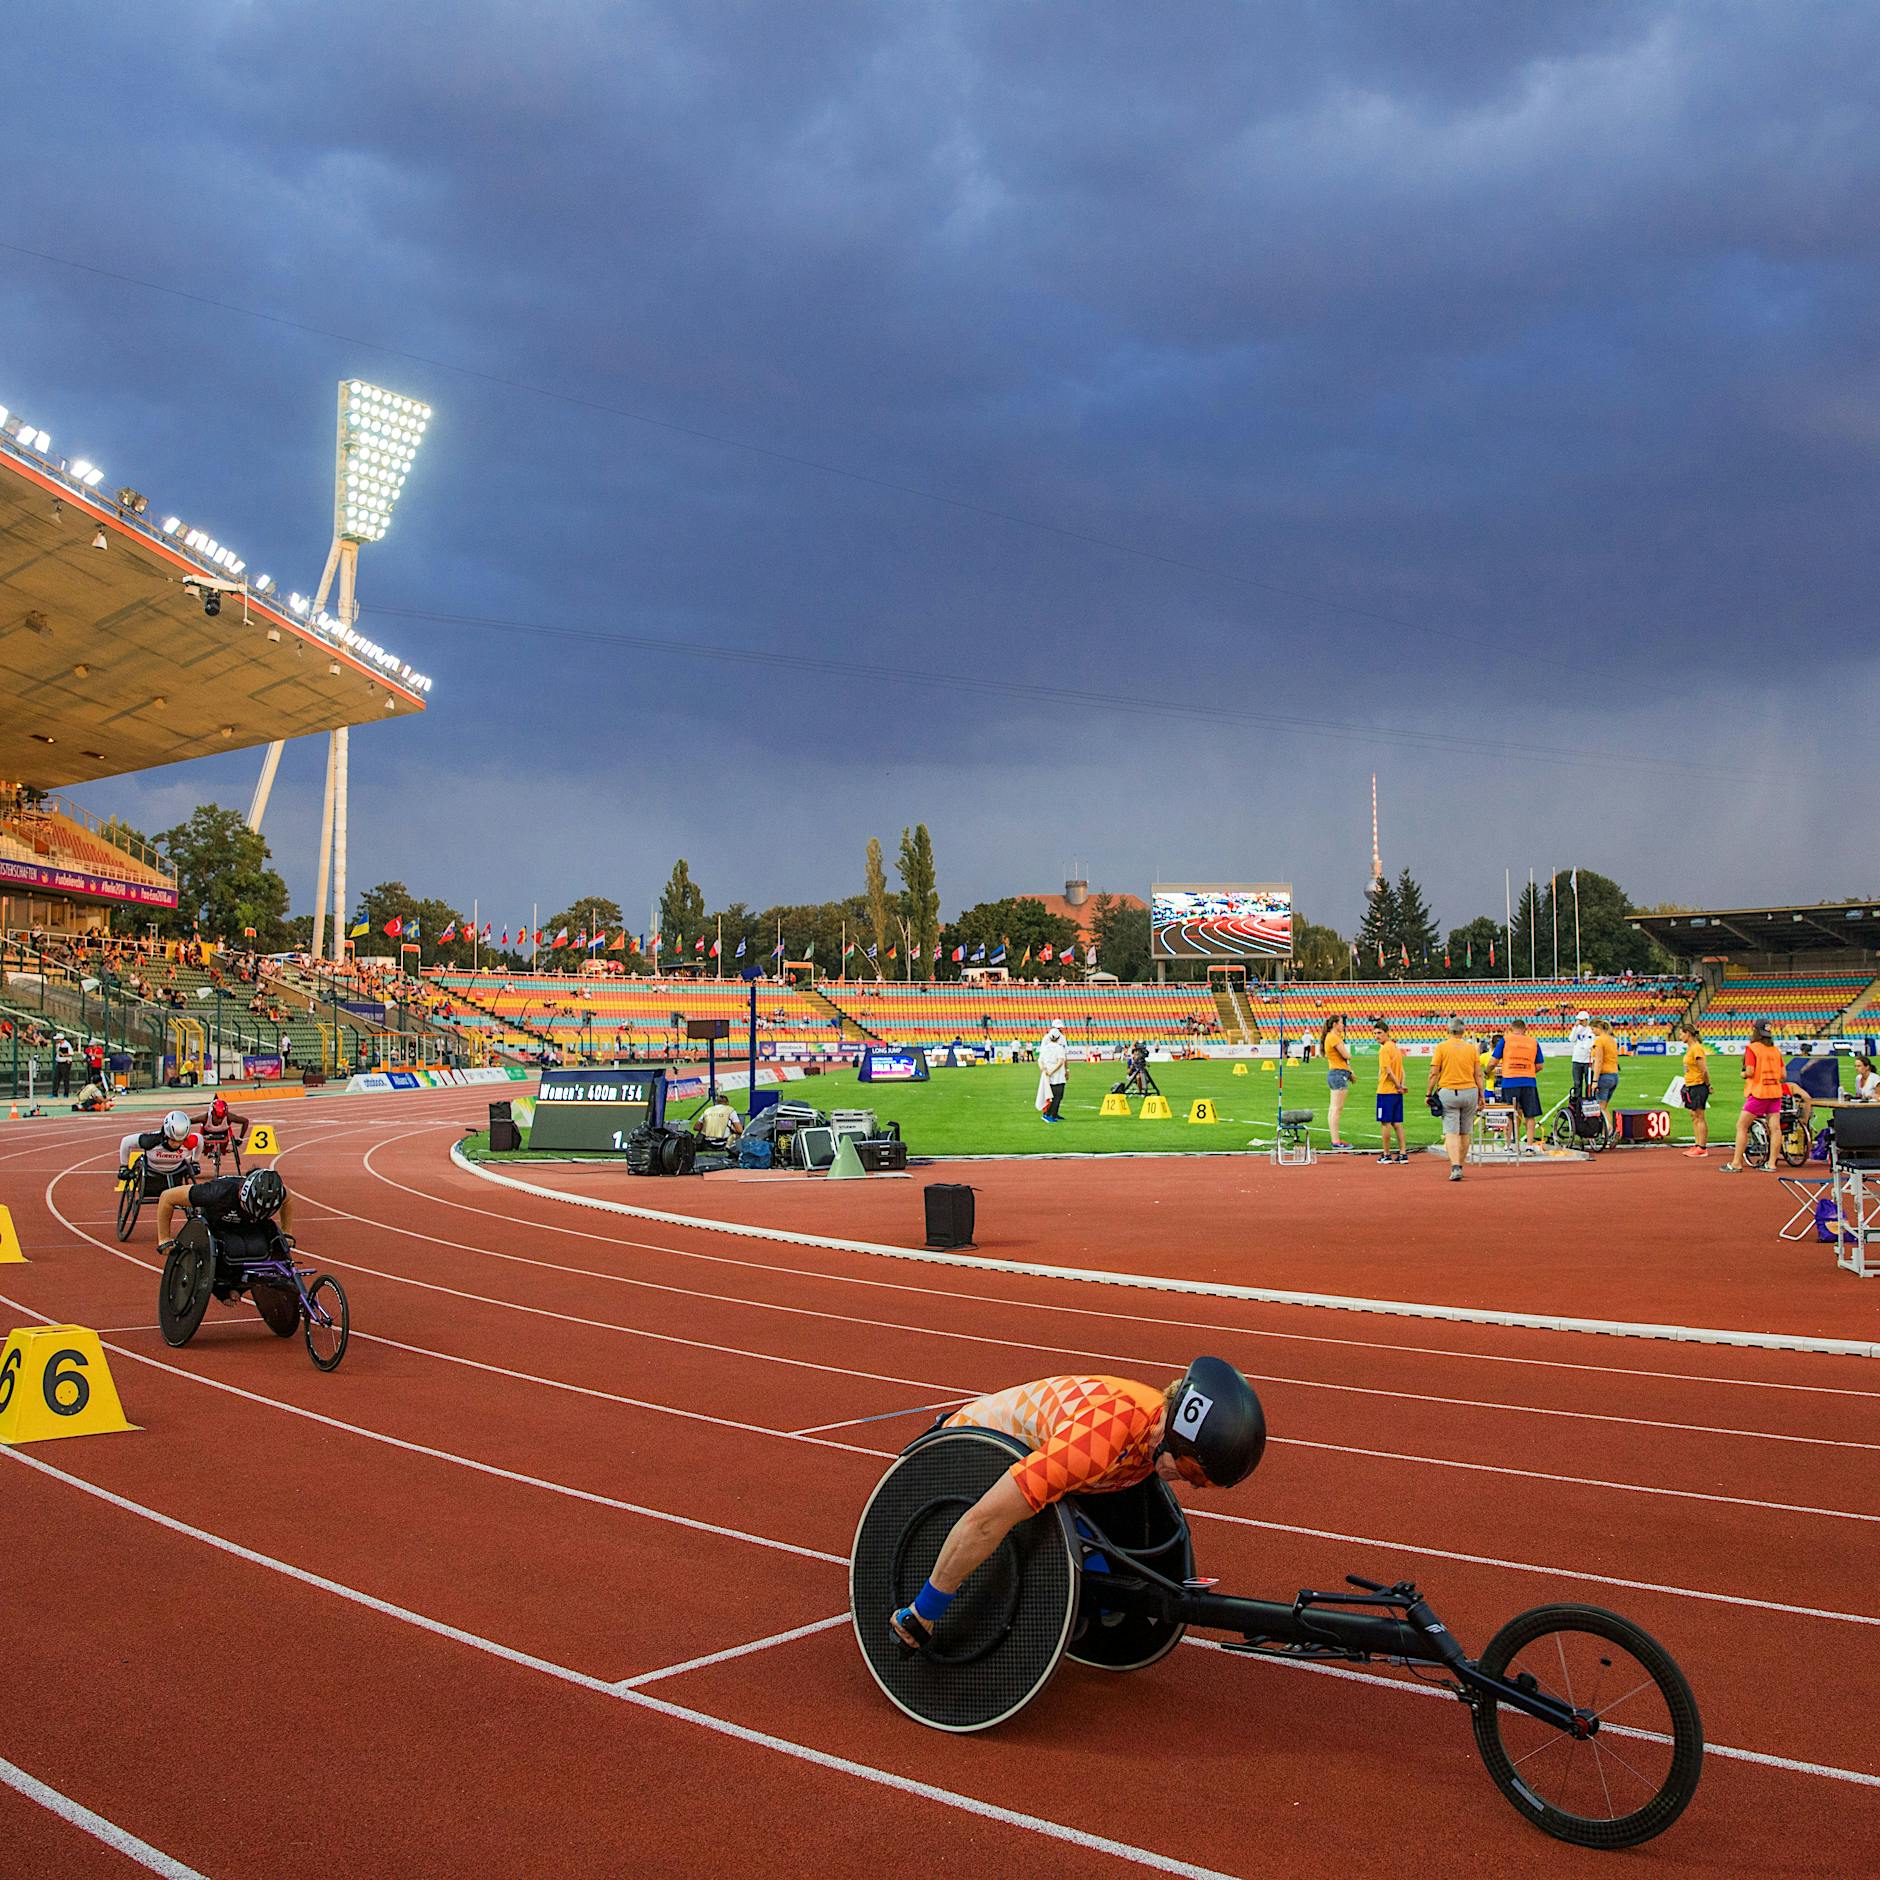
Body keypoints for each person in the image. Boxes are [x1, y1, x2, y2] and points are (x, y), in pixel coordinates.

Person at [887, 1360, 1265, 1652]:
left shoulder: (1153, 1423)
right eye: (1193, 1474)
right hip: (959, 1463)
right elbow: (985, 1521)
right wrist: (925, 1612)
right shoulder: (1100, 1440)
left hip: (1039, 1462)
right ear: (1176, 1439)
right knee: (1005, 1520)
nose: (1193, 1486)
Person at [155, 1166, 294, 1268]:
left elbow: (288, 1200)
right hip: (218, 1224)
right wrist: (164, 1239)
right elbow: (167, 1197)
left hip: (251, 1226)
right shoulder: (215, 1192)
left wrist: (286, 1232)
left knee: (267, 1242)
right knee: (235, 1248)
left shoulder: (278, 1193)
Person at [1723, 1021, 1787, 1174]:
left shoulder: (1752, 1048)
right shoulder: (1775, 1050)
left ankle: (1737, 1162)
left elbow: (1750, 1071)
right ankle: (1772, 1163)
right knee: (1776, 1129)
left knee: (1742, 1126)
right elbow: (1783, 1075)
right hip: (1775, 1092)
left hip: (1759, 1092)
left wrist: (1743, 1074)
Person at [1425, 1017, 1484, 1183]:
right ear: (1463, 1031)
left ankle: (1455, 1166)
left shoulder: (1442, 1047)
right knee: (1466, 1131)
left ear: (1448, 1031)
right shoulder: (1471, 1049)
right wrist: (1481, 1095)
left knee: (1451, 1131)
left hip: (1449, 1091)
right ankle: (1461, 1165)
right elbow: (1478, 1074)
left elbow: (1434, 1073)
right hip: (1470, 1091)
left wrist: (1428, 1093)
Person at [117, 1108, 199, 1192]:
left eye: (180, 1141)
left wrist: (195, 1161)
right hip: (152, 1172)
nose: (176, 1144)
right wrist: (124, 1166)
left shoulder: (189, 1141)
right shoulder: (150, 1140)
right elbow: (126, 1141)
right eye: (173, 1140)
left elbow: (200, 1140)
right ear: (166, 1135)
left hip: (176, 1172)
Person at [1494, 1018, 1544, 1152]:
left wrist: (1487, 1072)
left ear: (1510, 1029)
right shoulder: (1533, 1042)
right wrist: (1526, 1070)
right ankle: (1529, 1147)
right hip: (1528, 1081)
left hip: (1510, 1080)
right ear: (1525, 1030)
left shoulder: (1506, 1040)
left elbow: (1493, 1061)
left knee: (1510, 1114)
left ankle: (1508, 1145)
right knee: (1530, 1115)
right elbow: (1539, 1065)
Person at [1374, 1019, 1407, 1164]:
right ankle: (1403, 1153)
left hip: (1386, 1090)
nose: (1376, 1036)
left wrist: (1398, 1085)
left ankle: (1386, 1154)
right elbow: (1402, 1070)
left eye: (1379, 1033)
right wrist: (1401, 1085)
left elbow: (1387, 1070)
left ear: (1387, 1033)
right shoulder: (1395, 1047)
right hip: (1396, 1092)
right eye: (1374, 1033)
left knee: (1385, 1123)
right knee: (1397, 1122)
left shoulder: (1384, 1049)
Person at [191, 1095, 250, 1175]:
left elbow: (245, 1121)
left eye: (222, 1118)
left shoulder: (229, 1117)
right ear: (212, 1113)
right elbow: (188, 1121)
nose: (219, 1120)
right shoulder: (204, 1118)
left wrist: (240, 1138)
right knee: (197, 1138)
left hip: (223, 1138)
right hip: (206, 1138)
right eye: (217, 1118)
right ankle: (195, 1161)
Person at [1679, 1024, 1711, 1157]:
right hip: (1691, 1084)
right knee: (1694, 1115)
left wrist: (1707, 1085)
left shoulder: (1696, 1049)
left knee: (1699, 1116)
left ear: (1688, 1034)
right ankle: (1697, 1144)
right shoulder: (1691, 1049)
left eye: (1681, 1033)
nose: (1680, 1036)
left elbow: (1703, 1070)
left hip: (1698, 1085)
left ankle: (1702, 1147)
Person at [1320, 1015, 1352, 1149]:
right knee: (1336, 1109)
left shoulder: (1330, 1037)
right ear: (1334, 1024)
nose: (1343, 1025)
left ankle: (1335, 1139)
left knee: (1334, 1108)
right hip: (1338, 1073)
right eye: (1341, 1023)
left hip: (1337, 1072)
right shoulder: (1333, 1037)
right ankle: (1336, 1140)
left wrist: (1350, 1072)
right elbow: (1346, 1055)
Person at [1036, 1022, 1069, 1123]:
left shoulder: (1045, 1047)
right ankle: (1049, 1114)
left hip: (1047, 1074)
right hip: (1057, 1074)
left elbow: (1040, 1060)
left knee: (1050, 1094)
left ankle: (1053, 1113)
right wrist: (1062, 1070)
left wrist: (1044, 1070)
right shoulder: (1059, 1048)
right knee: (1058, 1095)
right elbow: (1061, 1061)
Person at [1590, 1020, 1621, 1117]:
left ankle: (1610, 1130)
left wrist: (1594, 1081)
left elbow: (1599, 1061)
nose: (1592, 1032)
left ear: (1599, 1028)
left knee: (1601, 1108)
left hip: (1604, 1076)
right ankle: (1606, 1131)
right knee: (1604, 1106)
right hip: (1614, 1075)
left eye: (1593, 1029)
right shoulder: (1612, 1040)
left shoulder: (1599, 1040)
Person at [1567, 1010, 1595, 1100]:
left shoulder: (1591, 1030)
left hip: (1588, 1060)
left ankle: (1588, 1100)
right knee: (1577, 1083)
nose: (1580, 1022)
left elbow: (1591, 1043)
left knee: (1589, 1083)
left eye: (1582, 1020)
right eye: (1579, 1020)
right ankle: (1578, 1102)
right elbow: (1571, 1039)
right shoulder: (1577, 1029)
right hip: (1576, 1059)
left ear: (1587, 1020)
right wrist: (1575, 1027)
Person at [51, 1031, 74, 1098]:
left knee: (65, 1079)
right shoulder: (58, 1045)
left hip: (65, 1063)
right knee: (56, 1078)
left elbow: (71, 1053)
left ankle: (66, 1094)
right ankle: (54, 1093)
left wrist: (64, 1055)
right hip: (59, 1062)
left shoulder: (67, 1044)